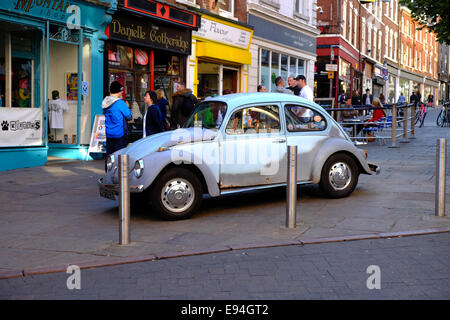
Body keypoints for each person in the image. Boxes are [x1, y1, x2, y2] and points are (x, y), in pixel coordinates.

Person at [102, 81, 132, 171]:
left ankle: (108, 175)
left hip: (109, 132)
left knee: (109, 156)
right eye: (121, 91)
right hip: (119, 133)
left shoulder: (105, 102)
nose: (122, 92)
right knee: (119, 157)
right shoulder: (120, 103)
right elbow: (129, 116)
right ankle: (119, 178)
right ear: (118, 91)